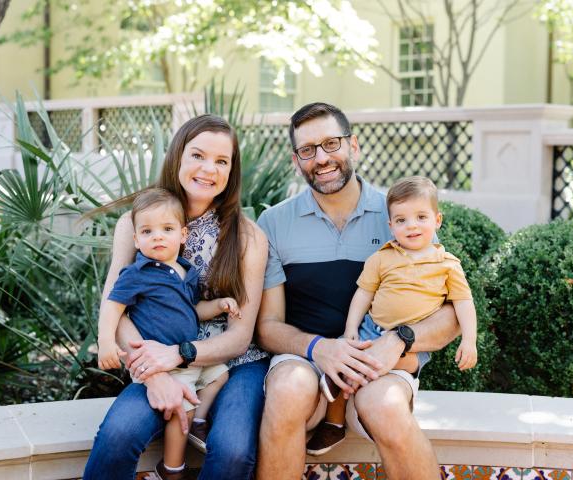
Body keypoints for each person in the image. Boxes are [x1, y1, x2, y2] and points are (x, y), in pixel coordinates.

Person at [255, 102, 461, 480]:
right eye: (308, 150)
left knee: (385, 407)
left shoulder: (400, 214)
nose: (321, 158)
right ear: (296, 159)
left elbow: (450, 315)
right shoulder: (273, 222)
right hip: (306, 360)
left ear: (354, 146)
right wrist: (321, 348)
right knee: (287, 391)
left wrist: (400, 341)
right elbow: (267, 326)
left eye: (331, 143)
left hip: (382, 360)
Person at [83, 114, 269, 480]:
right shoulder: (137, 223)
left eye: (222, 161)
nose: (208, 169)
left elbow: (240, 335)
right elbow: (116, 309)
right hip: (156, 356)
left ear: (232, 170)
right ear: (178, 157)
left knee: (233, 451)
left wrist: (181, 354)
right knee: (119, 434)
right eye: (198, 155)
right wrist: (155, 375)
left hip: (234, 363)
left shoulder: (248, 237)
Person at [306, 175, 478, 455]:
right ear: (391, 226)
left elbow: (463, 303)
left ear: (437, 221)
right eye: (401, 220)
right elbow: (363, 294)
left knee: (394, 364)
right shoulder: (382, 258)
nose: (411, 226)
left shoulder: (447, 265)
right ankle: (334, 423)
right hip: (372, 329)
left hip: (410, 341)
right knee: (345, 358)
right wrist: (350, 329)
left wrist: (469, 341)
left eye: (421, 217)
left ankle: (355, 383)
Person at [97, 188, 240, 478]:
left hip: (186, 355)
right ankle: (173, 467)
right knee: (180, 410)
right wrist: (105, 342)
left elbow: (192, 310)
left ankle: (200, 418)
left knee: (221, 374)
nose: (158, 236)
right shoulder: (138, 274)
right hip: (158, 358)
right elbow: (113, 306)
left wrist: (218, 306)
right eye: (148, 231)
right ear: (136, 240)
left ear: (183, 235)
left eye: (167, 229)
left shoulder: (185, 271)